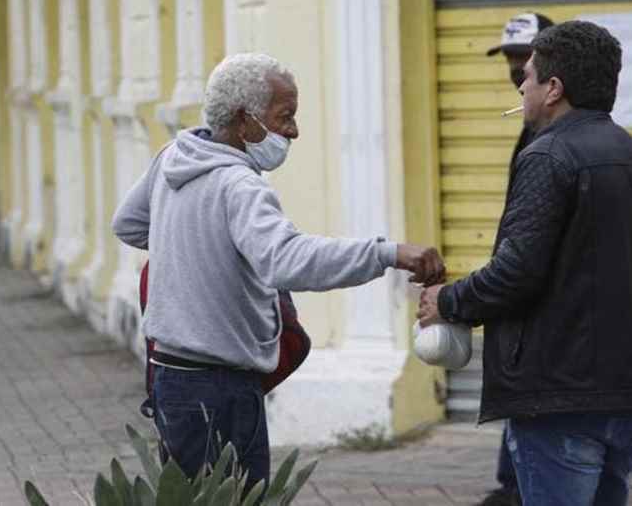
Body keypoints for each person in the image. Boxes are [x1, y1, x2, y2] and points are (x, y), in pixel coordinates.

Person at [112, 53, 446, 492]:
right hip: (221, 389)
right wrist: (386, 253)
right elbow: (287, 259)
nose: (293, 131)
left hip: (172, 379)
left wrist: (193, 253)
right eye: (284, 117)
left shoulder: (174, 156)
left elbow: (130, 224)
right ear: (243, 120)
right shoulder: (240, 185)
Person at [418, 21, 632, 506]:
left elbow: (516, 272)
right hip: (628, 398)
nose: (521, 85)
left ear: (554, 88)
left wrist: (446, 300)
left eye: (527, 75)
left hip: (559, 397)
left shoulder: (547, 155)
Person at [479, 11, 554, 506]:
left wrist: (465, 299)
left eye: (523, 58)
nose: (514, 70)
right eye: (509, 58)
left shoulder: (551, 138)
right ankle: (512, 485)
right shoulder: (530, 127)